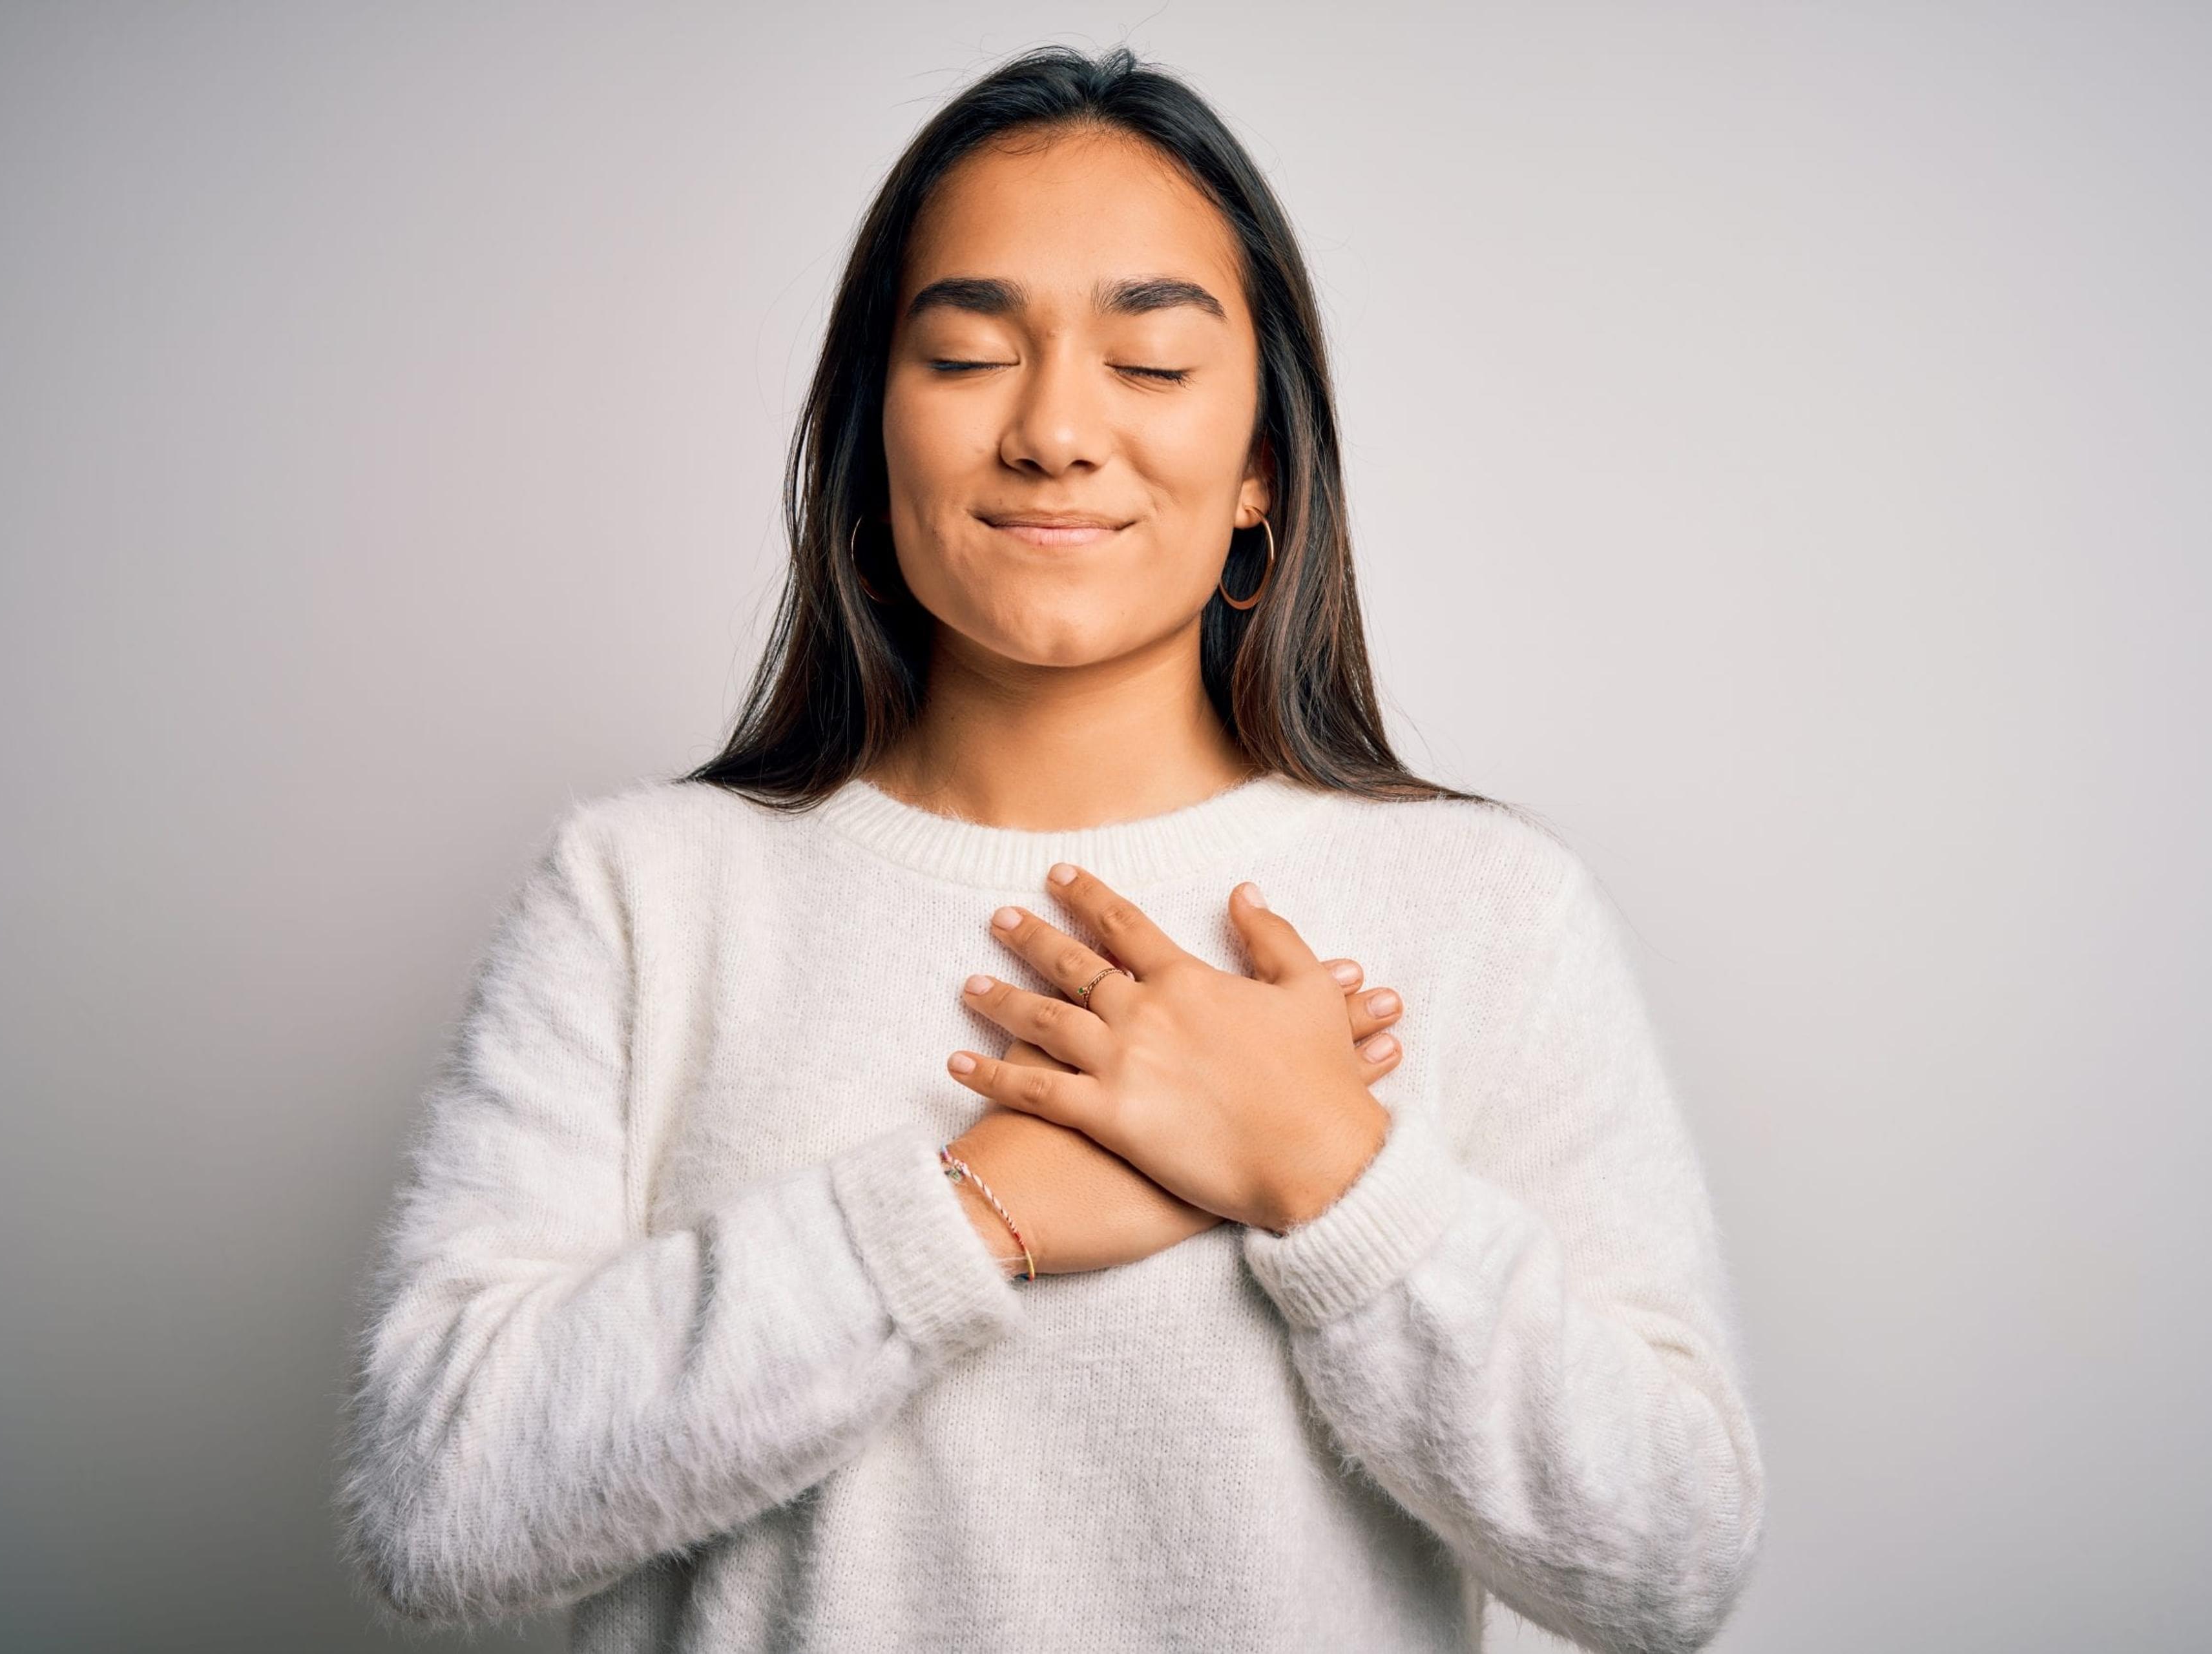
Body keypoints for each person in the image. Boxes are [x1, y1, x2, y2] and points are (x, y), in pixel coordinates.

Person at [336, 43, 1766, 1654]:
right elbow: (438, 1507)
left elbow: (1668, 1564)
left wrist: (1329, 1176)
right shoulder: (645, 893)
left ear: (1261, 480)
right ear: (870, 449)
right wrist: (967, 1212)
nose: (1055, 432)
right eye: (965, 356)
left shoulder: (1486, 909)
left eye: (1151, 366)